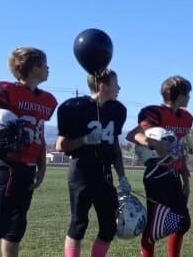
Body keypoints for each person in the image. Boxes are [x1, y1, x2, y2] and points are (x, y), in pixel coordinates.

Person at [0, 47, 58, 257]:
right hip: (5, 165)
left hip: (28, 167)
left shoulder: (47, 100)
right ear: (34, 69)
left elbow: (39, 135)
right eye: (44, 64)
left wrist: (42, 166)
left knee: (16, 227)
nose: (48, 68)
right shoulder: (8, 91)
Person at [55, 69, 128, 257]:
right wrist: (84, 140)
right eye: (115, 83)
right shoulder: (77, 107)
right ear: (102, 85)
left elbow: (115, 147)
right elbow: (60, 145)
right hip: (81, 172)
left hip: (104, 173)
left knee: (109, 226)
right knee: (78, 224)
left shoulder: (118, 110)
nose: (119, 87)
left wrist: (122, 176)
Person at [127, 75, 193, 257]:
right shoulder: (154, 113)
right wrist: (153, 143)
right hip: (156, 175)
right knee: (154, 225)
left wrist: (185, 178)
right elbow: (133, 135)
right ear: (180, 95)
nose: (189, 98)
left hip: (174, 176)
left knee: (182, 223)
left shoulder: (186, 118)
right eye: (188, 94)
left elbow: (180, 149)